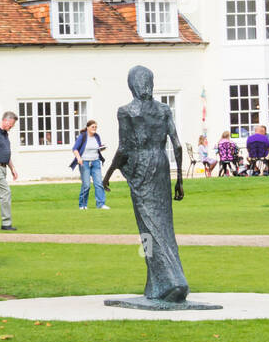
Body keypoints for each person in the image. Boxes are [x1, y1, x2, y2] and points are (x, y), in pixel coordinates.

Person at [101, 66, 188, 301]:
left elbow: (124, 149)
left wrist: (107, 175)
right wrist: (179, 179)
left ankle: (174, 280)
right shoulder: (163, 110)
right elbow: (177, 146)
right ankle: (155, 285)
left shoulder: (127, 111)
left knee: (149, 225)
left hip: (141, 168)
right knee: (162, 224)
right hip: (161, 164)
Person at [71, 120, 109, 210]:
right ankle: (82, 205)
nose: (94, 128)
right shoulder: (82, 137)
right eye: (93, 127)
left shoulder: (97, 136)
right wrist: (79, 158)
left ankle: (101, 204)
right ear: (88, 127)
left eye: (95, 127)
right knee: (86, 185)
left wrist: (102, 147)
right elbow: (75, 149)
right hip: (85, 163)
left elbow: (98, 147)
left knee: (99, 183)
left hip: (95, 162)